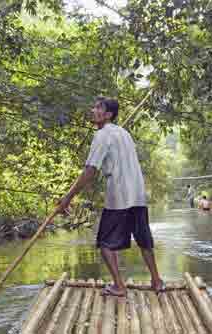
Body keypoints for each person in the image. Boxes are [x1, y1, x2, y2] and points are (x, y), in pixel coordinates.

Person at [57, 97, 164, 297]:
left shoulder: (102, 135)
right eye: (94, 106)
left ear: (108, 115)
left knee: (105, 243)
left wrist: (68, 198)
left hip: (120, 194)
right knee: (144, 240)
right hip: (138, 193)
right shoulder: (124, 133)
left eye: (98, 108)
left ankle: (119, 286)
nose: (93, 110)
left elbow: (90, 171)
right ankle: (157, 281)